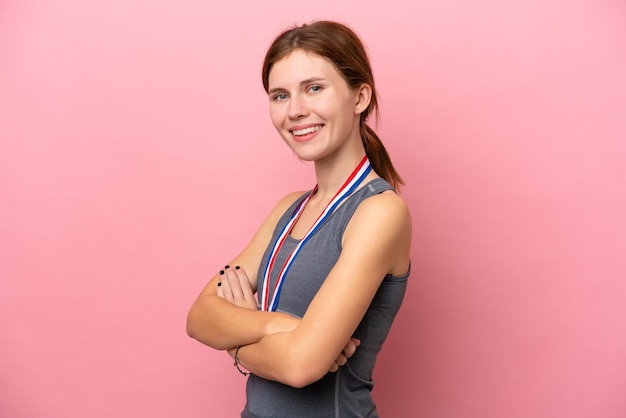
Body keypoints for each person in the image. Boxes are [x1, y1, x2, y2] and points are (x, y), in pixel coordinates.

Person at [186, 20, 412, 417]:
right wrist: (277, 326)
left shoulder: (379, 212)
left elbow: (301, 366)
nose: (295, 111)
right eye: (280, 95)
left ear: (359, 97)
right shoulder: (288, 210)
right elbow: (199, 317)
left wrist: (235, 341)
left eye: (314, 88)